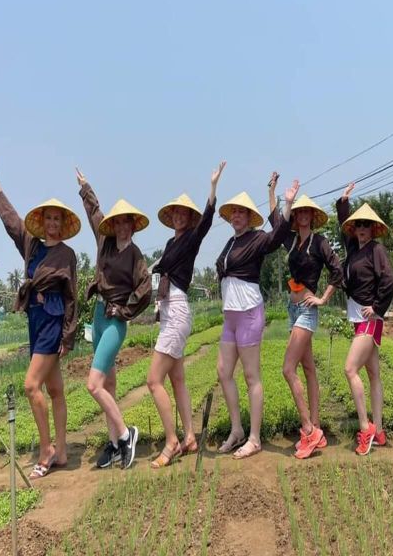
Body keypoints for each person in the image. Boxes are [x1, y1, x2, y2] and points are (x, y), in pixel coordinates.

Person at [0, 162, 79, 479]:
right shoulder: (32, 245)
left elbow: (71, 297)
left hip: (52, 322)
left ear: (63, 224)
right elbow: (13, 222)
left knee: (30, 386)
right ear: (42, 222)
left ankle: (47, 449)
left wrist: (68, 336)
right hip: (35, 320)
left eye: (58, 219)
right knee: (55, 389)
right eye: (48, 218)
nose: (53, 223)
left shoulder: (67, 255)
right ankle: (63, 451)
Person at [147, 161, 226, 468]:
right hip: (168, 310)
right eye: (175, 212)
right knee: (177, 379)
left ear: (189, 217)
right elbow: (159, 269)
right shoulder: (170, 243)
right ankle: (190, 436)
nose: (179, 216)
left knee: (154, 380)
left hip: (177, 310)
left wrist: (213, 187)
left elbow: (206, 222)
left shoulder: (192, 238)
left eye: (183, 213)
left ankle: (172, 441)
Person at [215, 179, 299, 459]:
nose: (236, 216)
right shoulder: (230, 242)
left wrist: (286, 204)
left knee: (251, 376)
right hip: (230, 317)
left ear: (250, 217)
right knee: (223, 372)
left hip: (249, 313)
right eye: (233, 213)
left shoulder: (257, 238)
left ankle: (254, 438)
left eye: (241, 212)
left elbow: (277, 237)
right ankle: (237, 429)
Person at [76, 169, 152, 469]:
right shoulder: (105, 243)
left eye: (126, 222)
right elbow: (95, 214)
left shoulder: (136, 257)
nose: (121, 226)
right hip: (97, 315)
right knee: (107, 384)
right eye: (118, 222)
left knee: (92, 384)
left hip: (114, 321)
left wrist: (123, 311)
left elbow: (144, 291)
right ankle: (113, 444)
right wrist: (85, 188)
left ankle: (125, 433)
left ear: (133, 226)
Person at [268, 173, 342, 459]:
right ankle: (317, 426)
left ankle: (309, 430)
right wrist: (274, 192)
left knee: (288, 369)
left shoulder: (320, 243)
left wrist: (323, 298)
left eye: (306, 212)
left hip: (307, 311)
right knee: (308, 369)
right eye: (298, 212)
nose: (302, 216)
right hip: (292, 309)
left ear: (313, 216)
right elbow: (276, 221)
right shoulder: (291, 242)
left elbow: (338, 270)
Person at [337, 184, 393, 456]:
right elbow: (342, 221)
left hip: (369, 319)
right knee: (373, 374)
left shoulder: (376, 250)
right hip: (357, 317)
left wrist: (377, 306)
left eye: (366, 225)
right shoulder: (353, 248)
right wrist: (344, 202)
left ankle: (366, 427)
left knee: (350, 369)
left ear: (373, 229)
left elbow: (389, 279)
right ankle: (380, 430)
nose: (361, 228)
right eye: (358, 224)